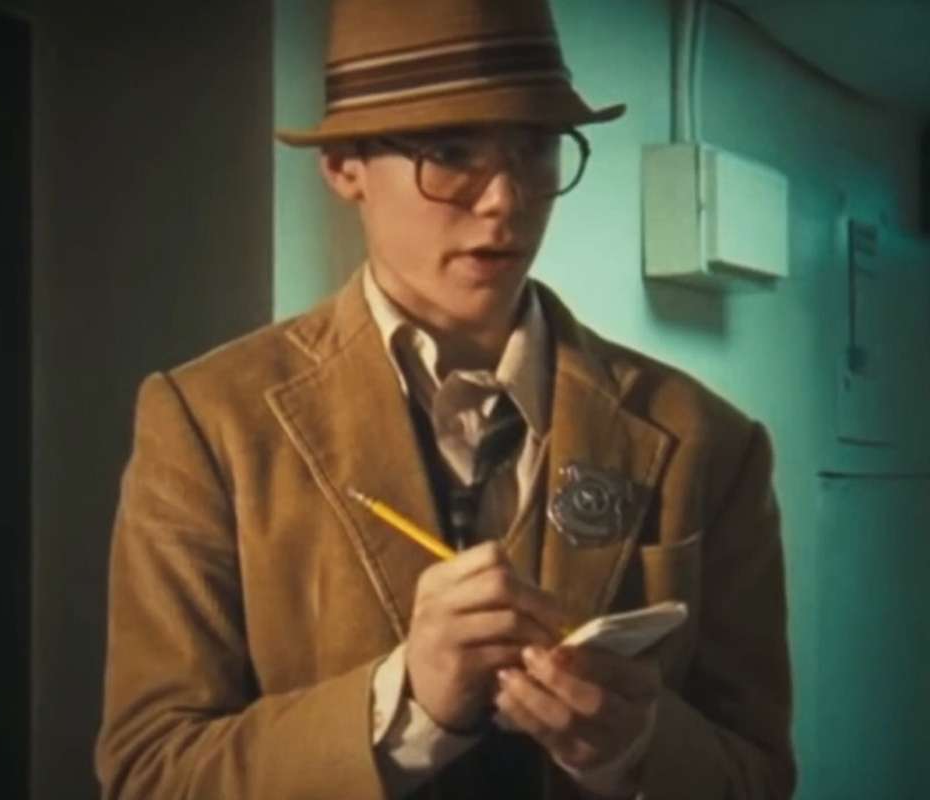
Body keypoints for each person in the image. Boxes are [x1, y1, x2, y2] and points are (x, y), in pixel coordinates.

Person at [95, 0, 795, 797]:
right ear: (345, 167)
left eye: (534, 148)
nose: (506, 200)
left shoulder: (707, 440)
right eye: (451, 150)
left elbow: (761, 775)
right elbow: (150, 776)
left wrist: (635, 748)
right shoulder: (210, 424)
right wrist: (406, 708)